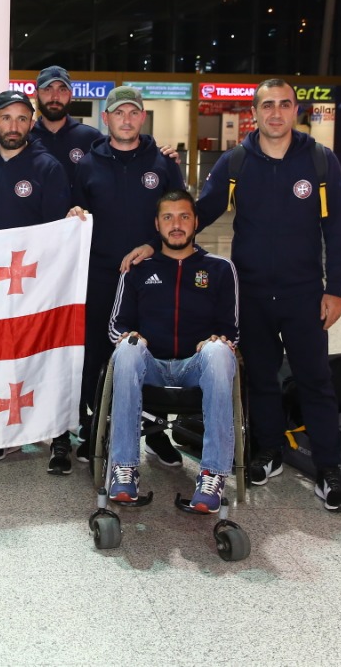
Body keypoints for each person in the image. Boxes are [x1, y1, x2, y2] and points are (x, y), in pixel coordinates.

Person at [197, 77, 341, 513]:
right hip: (250, 293)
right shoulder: (235, 162)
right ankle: (269, 451)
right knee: (261, 378)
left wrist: (335, 289)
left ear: (295, 111)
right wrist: (156, 237)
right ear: (254, 112)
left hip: (303, 294)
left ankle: (328, 468)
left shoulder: (319, 161)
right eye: (267, 105)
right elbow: (199, 213)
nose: (276, 113)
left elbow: (338, 231)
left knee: (314, 379)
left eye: (284, 104)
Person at [0, 89, 85, 473]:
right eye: (6, 118)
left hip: (36, 287)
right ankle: (6, 431)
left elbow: (57, 235)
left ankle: (59, 436)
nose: (13, 126)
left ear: (31, 123)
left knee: (44, 356)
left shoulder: (47, 167)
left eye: (21, 118)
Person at [72, 86, 185, 464]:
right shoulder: (88, 165)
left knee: (152, 351)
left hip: (152, 276)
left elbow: (181, 219)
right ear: (105, 118)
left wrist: (153, 246)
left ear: (142, 117)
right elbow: (76, 217)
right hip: (101, 275)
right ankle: (96, 428)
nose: (126, 119)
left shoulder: (163, 163)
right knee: (98, 352)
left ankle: (154, 432)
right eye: (118, 113)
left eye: (133, 113)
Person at [105, 190, 238, 510]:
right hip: (150, 364)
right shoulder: (138, 268)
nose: (176, 225)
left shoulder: (220, 268)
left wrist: (217, 340)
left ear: (196, 222)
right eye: (168, 217)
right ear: (157, 224)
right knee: (127, 349)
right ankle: (124, 468)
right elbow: (116, 326)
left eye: (184, 217)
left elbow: (232, 330)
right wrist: (130, 337)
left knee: (221, 352)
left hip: (195, 366)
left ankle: (212, 474)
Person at [26, 66, 100, 187]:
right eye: (47, 89)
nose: (55, 97)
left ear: (71, 95)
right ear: (36, 95)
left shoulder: (92, 138)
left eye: (62, 90)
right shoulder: (25, 138)